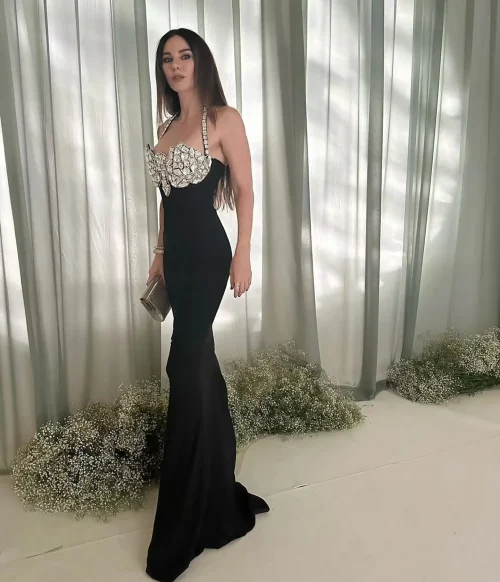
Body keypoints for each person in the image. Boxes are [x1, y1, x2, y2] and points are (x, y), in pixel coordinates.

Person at [143, 28, 269, 582]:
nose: (175, 66)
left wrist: (243, 253)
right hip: (178, 258)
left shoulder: (223, 119)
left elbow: (244, 189)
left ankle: (188, 519)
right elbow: (166, 203)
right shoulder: (167, 128)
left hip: (211, 257)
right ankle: (215, 492)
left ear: (200, 62)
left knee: (184, 366)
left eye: (184, 56)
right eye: (167, 59)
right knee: (199, 368)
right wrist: (159, 254)